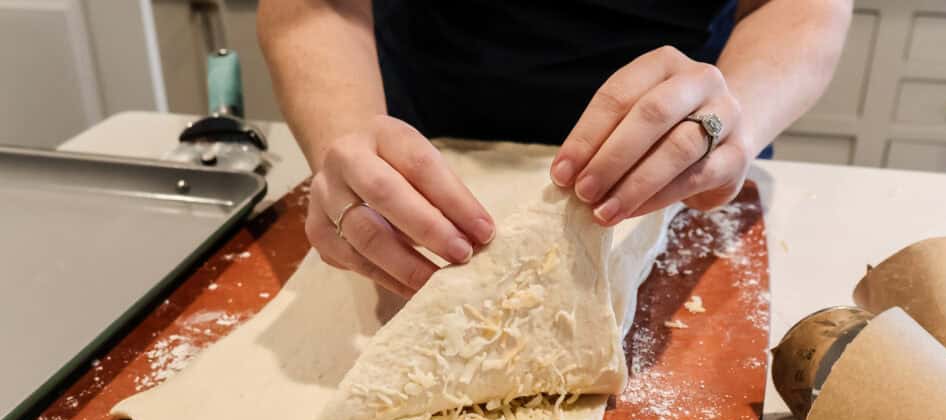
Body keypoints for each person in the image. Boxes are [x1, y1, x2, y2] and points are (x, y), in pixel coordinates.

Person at [258, 0, 852, 297]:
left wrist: (736, 114)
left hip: (685, 140)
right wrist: (344, 132)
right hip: (419, 139)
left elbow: (800, 8)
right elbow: (313, 7)